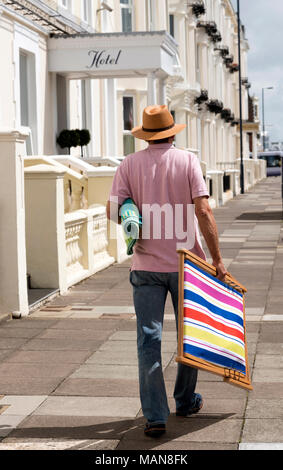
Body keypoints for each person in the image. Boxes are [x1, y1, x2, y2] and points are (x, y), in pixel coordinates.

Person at [107, 105, 227, 438]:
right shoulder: (187, 161)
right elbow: (203, 211)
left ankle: (156, 417)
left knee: (148, 341)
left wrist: (131, 209)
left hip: (146, 266)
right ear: (173, 132)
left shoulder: (129, 165)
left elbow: (112, 211)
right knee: (191, 336)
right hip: (186, 265)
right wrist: (216, 259)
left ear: (146, 134)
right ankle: (186, 400)